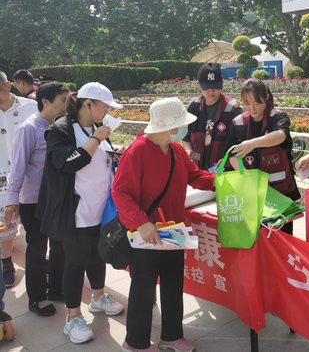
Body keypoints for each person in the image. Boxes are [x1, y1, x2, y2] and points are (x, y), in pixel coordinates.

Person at [112, 97, 215, 352]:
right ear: (168, 125)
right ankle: (135, 343)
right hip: (146, 234)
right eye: (180, 124)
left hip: (173, 232)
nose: (183, 129)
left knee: (172, 284)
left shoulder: (176, 149)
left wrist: (223, 180)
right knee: (143, 289)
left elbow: (196, 176)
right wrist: (141, 223)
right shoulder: (137, 151)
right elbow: (120, 192)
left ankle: (172, 335)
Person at [36, 82, 125, 344]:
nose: (107, 112)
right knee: (75, 262)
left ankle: (98, 297)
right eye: (104, 106)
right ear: (88, 104)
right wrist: (96, 139)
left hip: (100, 209)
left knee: (97, 255)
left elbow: (100, 159)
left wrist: (112, 153)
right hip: (76, 211)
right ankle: (73, 316)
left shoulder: (97, 127)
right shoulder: (61, 129)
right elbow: (67, 164)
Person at [6, 83, 70, 317]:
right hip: (33, 200)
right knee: (37, 248)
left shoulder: (59, 127)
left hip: (56, 198)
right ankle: (37, 298)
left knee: (59, 245)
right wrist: (12, 199)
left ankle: (56, 288)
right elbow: (18, 167)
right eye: (63, 100)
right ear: (45, 101)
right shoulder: (29, 128)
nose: (67, 104)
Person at [226, 79, 300, 235]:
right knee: (258, 238)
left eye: (257, 103)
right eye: (247, 103)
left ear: (266, 98)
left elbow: (280, 136)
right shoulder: (238, 123)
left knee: (282, 239)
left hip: (281, 193)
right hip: (253, 194)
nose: (252, 109)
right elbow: (231, 155)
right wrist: (245, 175)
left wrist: (252, 144)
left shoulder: (277, 117)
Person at [0, 71, 38, 289]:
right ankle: (6, 262)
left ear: (8, 86)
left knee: (34, 223)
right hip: (2, 178)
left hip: (30, 175)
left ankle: (38, 261)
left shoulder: (30, 107)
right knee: (5, 222)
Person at [182, 63, 242, 170]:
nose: (211, 91)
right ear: (200, 85)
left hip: (223, 170)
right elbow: (186, 136)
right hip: (198, 169)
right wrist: (188, 150)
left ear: (221, 84)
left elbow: (239, 143)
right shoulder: (193, 107)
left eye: (215, 87)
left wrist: (228, 160)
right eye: (207, 88)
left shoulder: (232, 109)